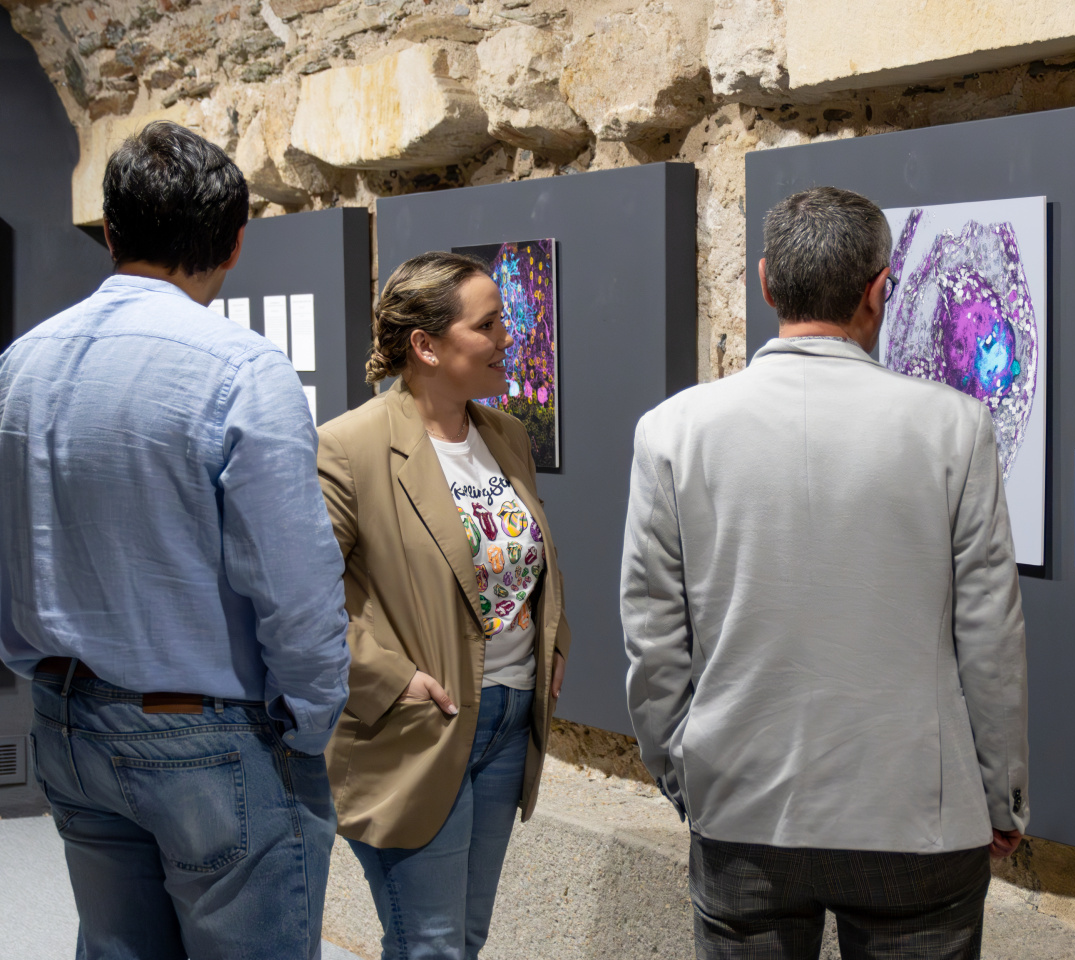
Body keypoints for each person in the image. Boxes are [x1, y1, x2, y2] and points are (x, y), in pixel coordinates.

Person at [0, 121, 349, 959]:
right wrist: (309, 728)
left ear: (111, 229)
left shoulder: (16, 366)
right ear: (236, 243)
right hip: (210, 736)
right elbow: (297, 587)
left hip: (68, 722)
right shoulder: (243, 371)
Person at [621, 186, 1030, 960]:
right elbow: (989, 633)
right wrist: (999, 790)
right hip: (917, 813)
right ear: (880, 290)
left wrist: (684, 771)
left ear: (768, 282)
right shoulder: (954, 426)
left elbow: (653, 635)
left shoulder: (672, 431)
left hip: (740, 804)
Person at [316, 251, 571, 960]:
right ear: (425, 346)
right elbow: (300, 602)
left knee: (461, 939)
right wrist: (389, 680)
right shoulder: (348, 447)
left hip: (508, 720)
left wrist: (553, 642)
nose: (507, 338)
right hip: (417, 726)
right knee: (431, 945)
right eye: (488, 325)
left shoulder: (507, 436)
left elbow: (529, 559)